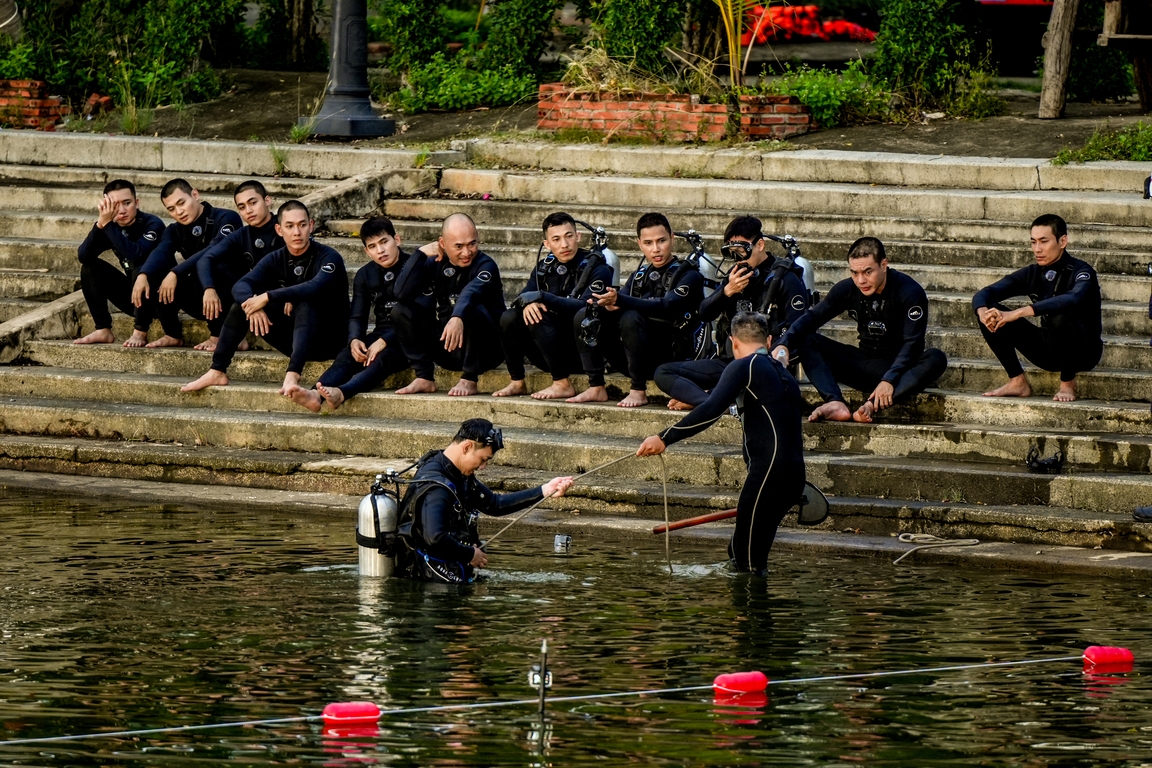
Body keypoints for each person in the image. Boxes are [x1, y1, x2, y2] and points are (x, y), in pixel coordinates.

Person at [637, 313, 804, 574]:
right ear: (769, 341)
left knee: (749, 562)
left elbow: (712, 410)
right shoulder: (784, 376)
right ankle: (747, 613)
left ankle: (750, 612)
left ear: (732, 342)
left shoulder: (744, 367)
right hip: (793, 475)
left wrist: (664, 437)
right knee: (739, 551)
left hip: (769, 473)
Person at [180, 200, 349, 396]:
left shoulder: (329, 257)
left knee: (305, 301)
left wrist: (267, 297)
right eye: (290, 226)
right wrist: (254, 305)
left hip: (330, 340)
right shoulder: (275, 258)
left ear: (311, 226)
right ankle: (217, 370)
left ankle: (293, 375)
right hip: (296, 340)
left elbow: (314, 286)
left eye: (302, 225)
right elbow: (241, 285)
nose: (297, 232)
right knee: (240, 305)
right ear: (279, 230)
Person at [772, 237, 947, 423]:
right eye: (854, 273)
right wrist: (783, 345)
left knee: (936, 358)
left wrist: (889, 380)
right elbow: (812, 318)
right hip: (863, 363)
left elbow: (913, 344)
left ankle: (871, 405)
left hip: (901, 372)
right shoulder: (848, 288)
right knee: (807, 339)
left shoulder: (909, 292)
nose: (861, 280)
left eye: (868, 271)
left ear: (884, 264)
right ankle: (835, 401)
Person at [654, 215, 809, 410]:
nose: (737, 259)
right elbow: (704, 313)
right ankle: (713, 402)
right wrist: (727, 292)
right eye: (732, 253)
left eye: (741, 251)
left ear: (760, 245)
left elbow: (798, 327)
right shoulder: (734, 276)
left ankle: (712, 398)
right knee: (663, 372)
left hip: (764, 364)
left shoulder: (784, 278)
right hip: (728, 363)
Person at [396, 418, 574, 583]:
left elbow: (494, 504)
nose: (483, 467)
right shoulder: (437, 487)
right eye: (483, 459)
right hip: (426, 578)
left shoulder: (457, 472)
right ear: (467, 447)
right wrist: (470, 554)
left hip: (448, 567)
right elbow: (435, 538)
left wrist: (544, 490)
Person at [569, 212, 706, 408]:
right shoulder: (640, 275)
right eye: (648, 243)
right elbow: (620, 303)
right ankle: (596, 385)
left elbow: (666, 306)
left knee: (631, 316)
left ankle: (638, 390)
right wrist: (607, 304)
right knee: (586, 314)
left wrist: (622, 301)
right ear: (639, 244)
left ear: (672, 239)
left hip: (672, 359)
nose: (656, 249)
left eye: (661, 241)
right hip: (635, 359)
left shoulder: (688, 275)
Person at [285, 216, 412, 412]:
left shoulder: (415, 267)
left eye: (384, 242)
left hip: (412, 335)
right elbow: (358, 315)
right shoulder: (365, 274)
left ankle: (342, 393)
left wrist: (385, 341)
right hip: (381, 333)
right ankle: (315, 394)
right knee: (348, 355)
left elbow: (422, 313)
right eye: (372, 246)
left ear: (397, 239)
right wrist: (354, 339)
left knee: (381, 357)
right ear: (366, 251)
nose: (380, 250)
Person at [972, 214, 1102, 403]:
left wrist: (1018, 312)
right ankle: (1017, 381)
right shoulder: (1033, 273)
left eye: (1044, 241)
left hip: (1083, 352)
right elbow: (985, 293)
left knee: (1060, 316)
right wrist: (982, 311)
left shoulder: (1082, 271)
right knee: (991, 312)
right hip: (1049, 351)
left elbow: (1073, 298)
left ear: (1062, 240)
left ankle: (1068, 383)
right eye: (1033, 242)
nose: (1037, 249)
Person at [493, 212, 615, 400]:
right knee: (511, 317)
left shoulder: (597, 267)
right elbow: (522, 296)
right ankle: (517, 381)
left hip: (583, 353)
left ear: (578, 237)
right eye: (556, 239)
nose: (564, 245)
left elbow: (585, 306)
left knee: (548, 313)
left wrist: (543, 297)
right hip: (548, 352)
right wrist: (528, 304)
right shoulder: (544, 268)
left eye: (569, 236)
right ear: (547, 244)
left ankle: (562, 384)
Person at [391, 213, 506, 397]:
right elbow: (400, 292)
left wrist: (457, 316)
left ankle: (469, 378)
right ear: (442, 244)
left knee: (471, 307)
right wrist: (419, 254)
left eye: (472, 244)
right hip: (450, 346)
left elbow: (471, 292)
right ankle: (424, 377)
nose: (467, 252)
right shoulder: (435, 263)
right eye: (458, 246)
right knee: (401, 311)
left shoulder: (486, 265)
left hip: (487, 350)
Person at [132, 178, 242, 350]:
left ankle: (222, 335)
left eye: (181, 203)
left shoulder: (227, 217)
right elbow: (161, 252)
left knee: (208, 267)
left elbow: (212, 250)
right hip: (202, 299)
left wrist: (175, 272)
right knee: (154, 273)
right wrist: (143, 274)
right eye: (172, 209)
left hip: (232, 295)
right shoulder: (174, 230)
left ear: (195, 194)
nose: (179, 211)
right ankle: (172, 333)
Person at [191, 180, 284, 351]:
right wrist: (209, 289)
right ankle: (223, 335)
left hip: (285, 298)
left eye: (253, 202)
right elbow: (206, 259)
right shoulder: (242, 234)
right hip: (254, 297)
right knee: (216, 270)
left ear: (268, 201)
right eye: (242, 207)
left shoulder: (286, 226)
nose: (248, 211)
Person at [73, 180, 166, 347]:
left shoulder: (152, 224)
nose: (122, 210)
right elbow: (84, 256)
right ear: (106, 207)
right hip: (134, 299)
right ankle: (103, 329)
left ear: (136, 203)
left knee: (140, 268)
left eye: (127, 203)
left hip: (162, 299)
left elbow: (136, 254)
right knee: (90, 268)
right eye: (115, 205)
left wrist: (108, 225)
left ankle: (140, 331)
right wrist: (100, 225)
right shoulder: (111, 227)